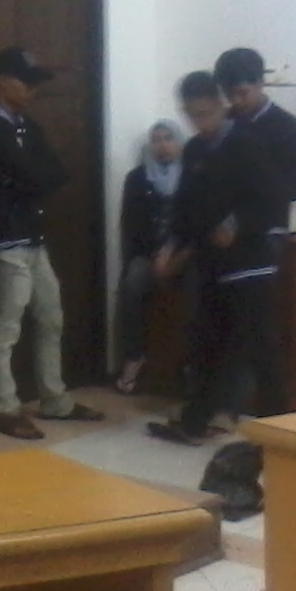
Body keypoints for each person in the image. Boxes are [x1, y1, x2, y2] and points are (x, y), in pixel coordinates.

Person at [0, 47, 104, 440]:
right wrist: (27, 178)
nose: (33, 90)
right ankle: (4, 408)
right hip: (3, 241)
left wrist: (26, 179)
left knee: (51, 317)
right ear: (3, 82)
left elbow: (53, 175)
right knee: (6, 326)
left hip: (33, 237)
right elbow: (28, 175)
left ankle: (55, 399)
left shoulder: (28, 127)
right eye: (26, 82)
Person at [147, 71, 289, 446]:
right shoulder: (195, 150)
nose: (201, 123)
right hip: (213, 263)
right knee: (209, 344)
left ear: (220, 105)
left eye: (207, 114)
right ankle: (195, 422)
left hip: (250, 262)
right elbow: (185, 208)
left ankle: (284, 433)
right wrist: (170, 246)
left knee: (260, 348)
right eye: (193, 116)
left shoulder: (246, 142)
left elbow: (273, 198)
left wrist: (235, 224)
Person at [114, 120, 184, 395]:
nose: (163, 145)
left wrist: (173, 253)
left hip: (184, 253)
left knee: (198, 286)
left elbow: (195, 221)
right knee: (132, 283)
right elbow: (131, 225)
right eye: (157, 140)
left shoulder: (192, 174)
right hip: (148, 253)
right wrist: (154, 255)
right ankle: (134, 357)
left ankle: (190, 364)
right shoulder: (137, 178)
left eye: (168, 138)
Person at [214, 47, 296, 233]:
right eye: (228, 94)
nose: (235, 101)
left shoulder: (287, 126)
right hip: (224, 230)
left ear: (261, 83)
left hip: (267, 229)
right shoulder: (224, 123)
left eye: (242, 93)